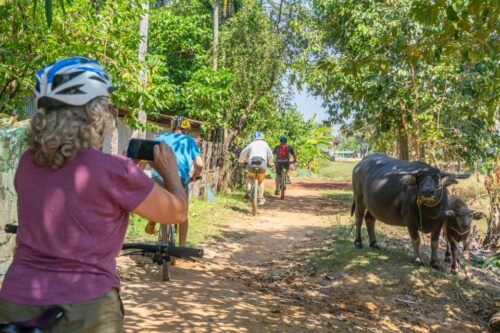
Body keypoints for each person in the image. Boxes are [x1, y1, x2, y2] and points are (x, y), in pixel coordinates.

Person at [0, 57, 187, 333]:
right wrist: (170, 173)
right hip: (85, 308)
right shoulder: (114, 171)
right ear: (95, 113)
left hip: (16, 302)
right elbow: (176, 212)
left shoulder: (28, 163)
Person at [145, 116, 204, 248]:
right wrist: (195, 176)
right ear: (187, 129)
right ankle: (181, 247)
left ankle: (154, 219)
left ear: (173, 127)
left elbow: (146, 156)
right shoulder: (189, 141)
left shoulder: (161, 137)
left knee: (158, 201)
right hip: (179, 177)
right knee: (182, 212)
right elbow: (200, 164)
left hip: (158, 175)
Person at [238, 131, 274, 205]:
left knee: (250, 177)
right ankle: (260, 198)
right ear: (262, 137)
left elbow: (243, 152)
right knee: (261, 180)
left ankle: (248, 188)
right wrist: (270, 162)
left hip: (252, 162)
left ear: (254, 137)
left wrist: (240, 161)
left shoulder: (251, 144)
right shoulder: (265, 144)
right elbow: (270, 155)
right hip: (262, 163)